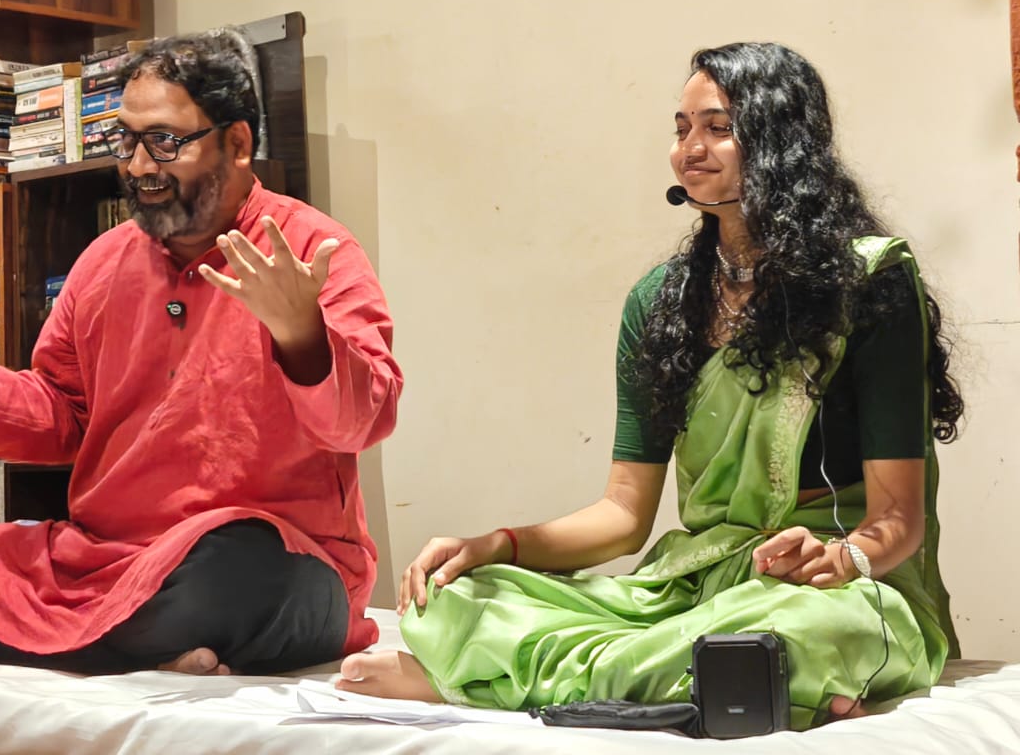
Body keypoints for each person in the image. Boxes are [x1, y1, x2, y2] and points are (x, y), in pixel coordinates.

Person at [339, 42, 961, 730]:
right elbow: (624, 515)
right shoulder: (661, 301)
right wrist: (492, 545)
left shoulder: (866, 281)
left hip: (823, 588)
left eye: (718, 128)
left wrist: (841, 559)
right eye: (681, 127)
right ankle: (749, 686)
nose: (689, 149)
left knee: (805, 630)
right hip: (698, 584)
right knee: (460, 597)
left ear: (781, 141)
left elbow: (898, 519)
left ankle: (480, 681)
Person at [0, 28, 402, 676]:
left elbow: (366, 420)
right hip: (110, 561)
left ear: (237, 144)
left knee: (231, 570)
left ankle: (106, 643)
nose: (140, 166)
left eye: (165, 142)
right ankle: (144, 647)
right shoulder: (103, 262)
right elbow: (61, 414)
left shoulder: (311, 251)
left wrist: (303, 336)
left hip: (271, 559)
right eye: (127, 140)